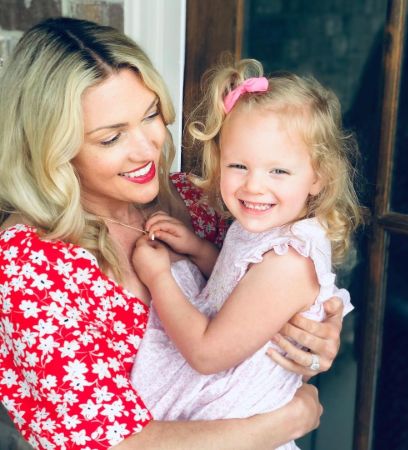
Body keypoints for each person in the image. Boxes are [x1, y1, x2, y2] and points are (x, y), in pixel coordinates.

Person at [0, 17, 345, 450]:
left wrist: (314, 343)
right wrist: (283, 423)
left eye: (150, 116)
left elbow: (255, 331)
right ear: (51, 148)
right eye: (111, 138)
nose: (148, 149)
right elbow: (104, 443)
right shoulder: (29, 262)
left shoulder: (197, 200)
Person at [131, 59, 361, 450]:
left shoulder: (289, 261)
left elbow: (207, 354)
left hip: (238, 422)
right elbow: (237, 285)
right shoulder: (266, 226)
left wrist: (159, 278)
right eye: (238, 165)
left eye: (278, 171)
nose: (253, 186)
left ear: (319, 177)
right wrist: (198, 249)